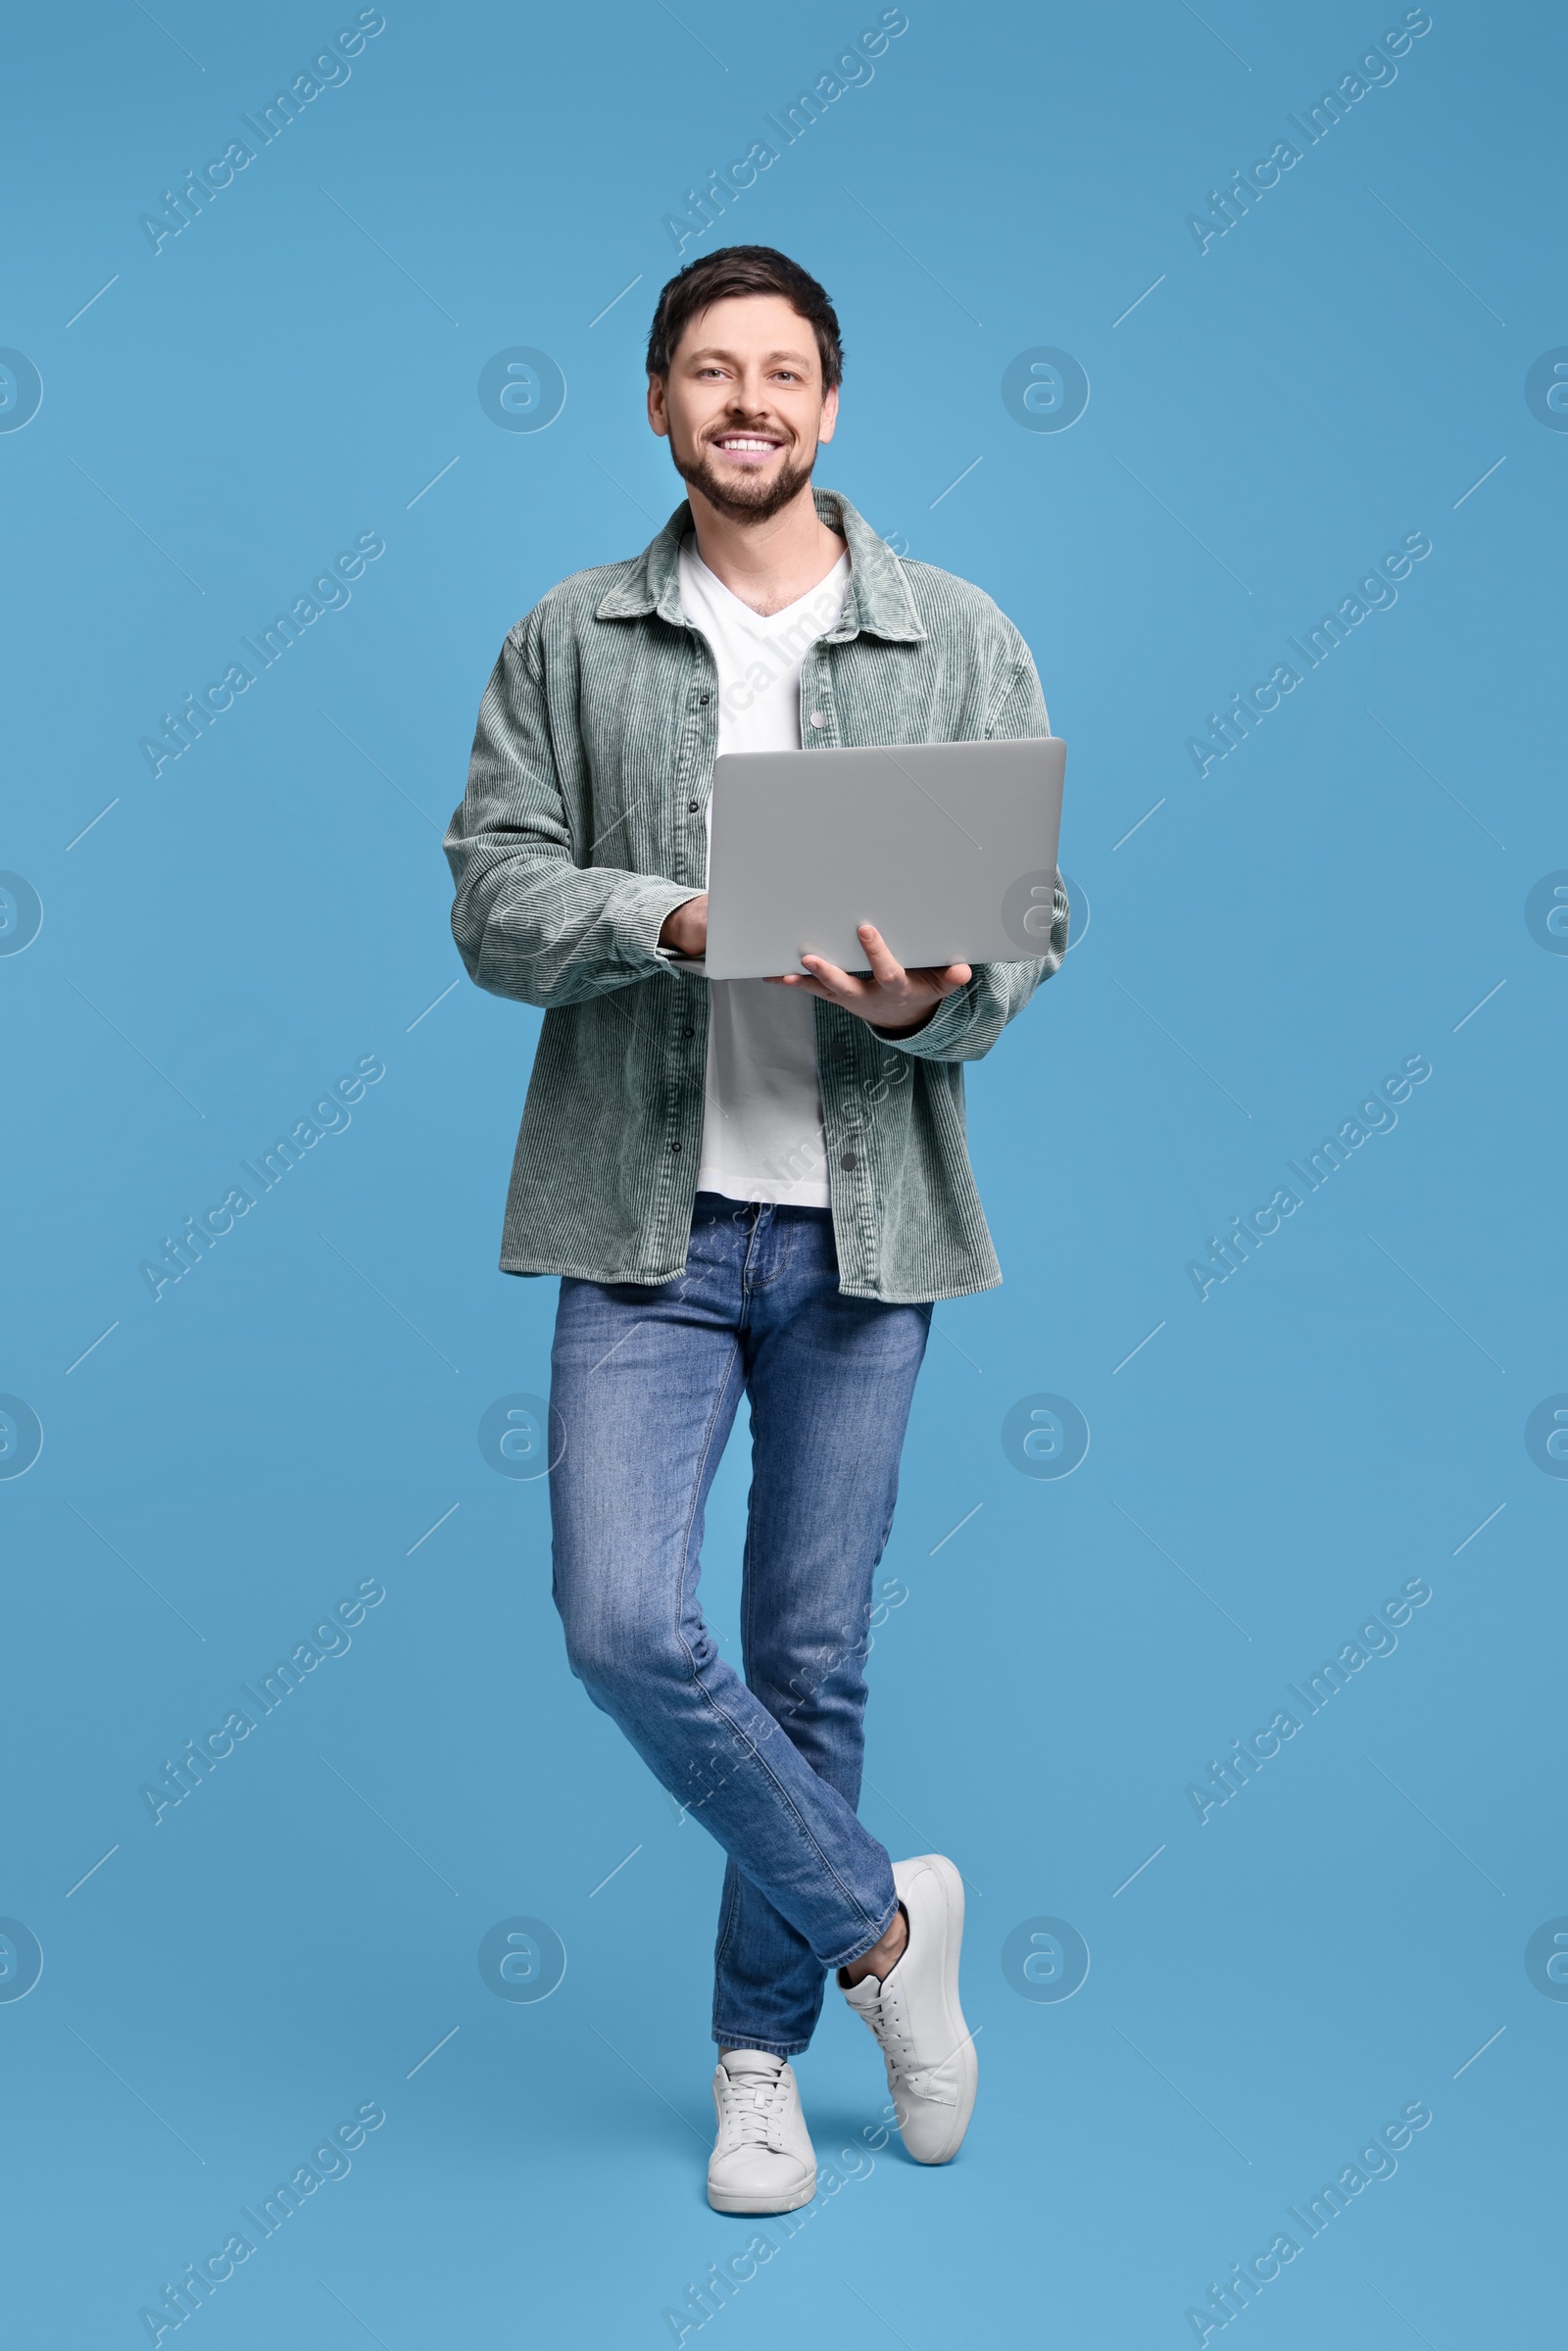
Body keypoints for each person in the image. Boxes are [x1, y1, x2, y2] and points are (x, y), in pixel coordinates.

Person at [445, 244, 1067, 2213]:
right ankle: (888, 1933)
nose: (745, 401)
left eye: (780, 372)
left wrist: (925, 1006)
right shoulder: (570, 637)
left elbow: (1029, 926)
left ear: (827, 405)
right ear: (654, 404)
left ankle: (758, 2064)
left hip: (866, 1231)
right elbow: (489, 901)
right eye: (707, 371)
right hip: (644, 1219)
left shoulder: (952, 633)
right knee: (626, 1624)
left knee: (810, 1659)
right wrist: (677, 920)